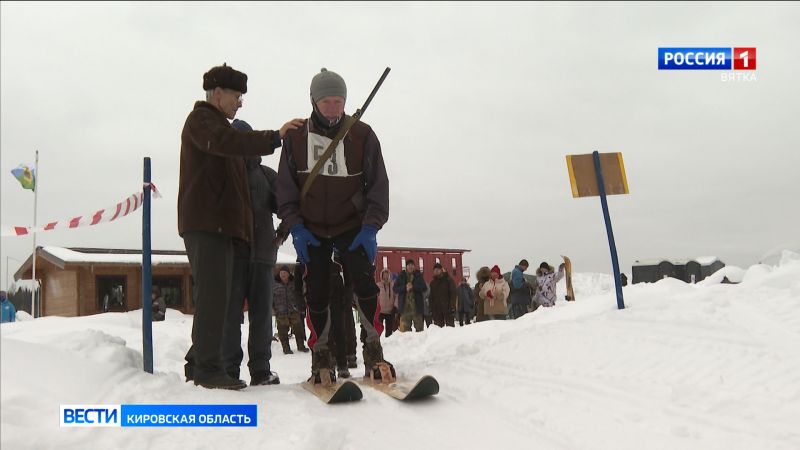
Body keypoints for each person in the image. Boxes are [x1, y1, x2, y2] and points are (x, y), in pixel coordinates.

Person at [179, 63, 304, 390]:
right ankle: (207, 369)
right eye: (237, 96)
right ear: (217, 94)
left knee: (217, 300)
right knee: (212, 298)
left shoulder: (222, 136)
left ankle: (204, 365)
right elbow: (229, 141)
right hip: (207, 226)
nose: (240, 103)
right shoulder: (204, 122)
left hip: (225, 232)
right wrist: (275, 137)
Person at [276, 68, 392, 384]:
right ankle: (321, 354)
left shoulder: (362, 134)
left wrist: (371, 227)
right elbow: (285, 188)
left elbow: (378, 185)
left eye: (339, 101)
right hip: (311, 227)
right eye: (326, 101)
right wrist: (295, 227)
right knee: (316, 291)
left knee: (365, 286)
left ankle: (373, 348)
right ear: (314, 101)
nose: (333, 107)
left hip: (352, 225)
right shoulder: (296, 138)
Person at [219, 119, 284, 386]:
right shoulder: (223, 174)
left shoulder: (267, 175)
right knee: (232, 316)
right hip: (235, 256)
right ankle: (230, 370)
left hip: (260, 257)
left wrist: (283, 233)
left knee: (258, 317)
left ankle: (259, 371)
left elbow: (289, 206)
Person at [273, 265, 308, 354]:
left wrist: (302, 305)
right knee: (282, 332)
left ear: (289, 274)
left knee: (298, 330)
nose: (283, 275)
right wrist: (274, 309)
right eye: (281, 273)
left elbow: (301, 293)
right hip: (281, 311)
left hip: (294, 310)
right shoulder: (274, 284)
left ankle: (301, 346)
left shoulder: (294, 283)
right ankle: (286, 349)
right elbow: (271, 297)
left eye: (285, 273)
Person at [394, 260, 427, 332]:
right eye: (409, 265)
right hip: (405, 308)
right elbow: (395, 288)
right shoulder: (401, 276)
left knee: (420, 330)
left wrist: (413, 286)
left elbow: (424, 287)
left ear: (414, 266)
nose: (410, 267)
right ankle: (407, 343)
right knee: (405, 332)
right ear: (406, 267)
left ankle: (420, 343)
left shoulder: (418, 275)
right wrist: (405, 288)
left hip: (417, 307)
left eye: (412, 265)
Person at [429, 263, 457, 327]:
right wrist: (431, 308)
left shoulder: (448, 280)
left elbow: (453, 293)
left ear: (441, 270)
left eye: (438, 269)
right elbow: (431, 296)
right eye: (435, 270)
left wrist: (453, 306)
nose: (436, 271)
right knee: (438, 329)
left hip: (448, 307)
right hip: (437, 309)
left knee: (450, 327)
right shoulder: (432, 283)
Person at [377, 269, 398, 338]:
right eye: (384, 276)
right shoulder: (378, 285)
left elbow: (397, 296)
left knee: (389, 331)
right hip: (380, 311)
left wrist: (395, 306)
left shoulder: (393, 285)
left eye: (387, 275)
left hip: (390, 311)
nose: (385, 277)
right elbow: (375, 297)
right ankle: (377, 342)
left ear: (389, 276)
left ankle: (389, 344)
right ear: (382, 276)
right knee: (378, 329)